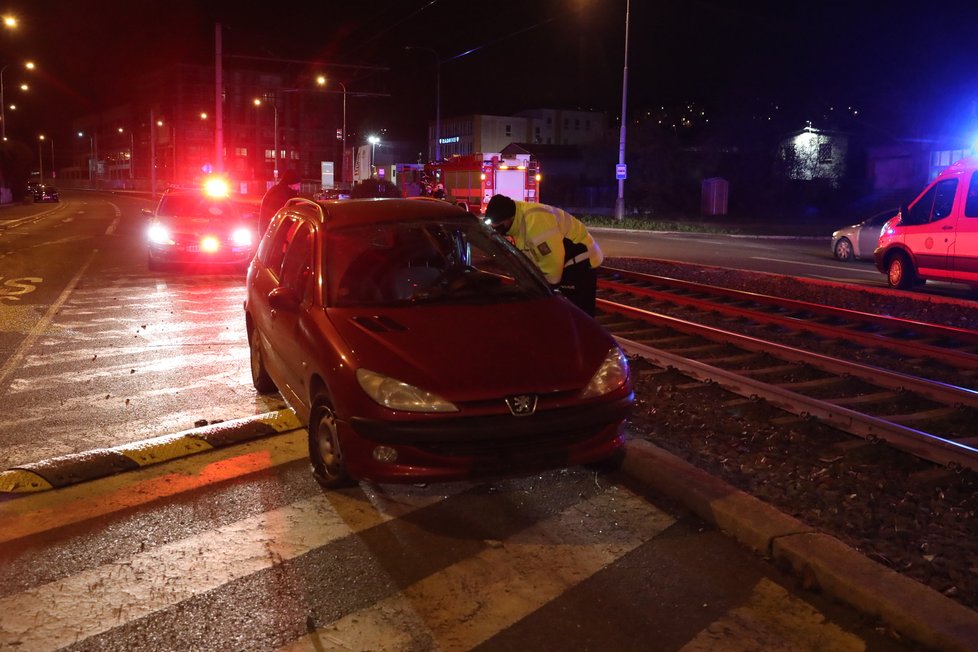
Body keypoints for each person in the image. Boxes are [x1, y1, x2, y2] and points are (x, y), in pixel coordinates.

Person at [484, 194, 603, 315]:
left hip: (580, 261)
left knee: (576, 314)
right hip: (566, 261)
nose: (495, 227)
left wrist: (543, 290)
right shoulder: (517, 222)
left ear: (510, 217)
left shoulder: (535, 222)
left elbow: (552, 265)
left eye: (498, 223)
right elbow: (531, 256)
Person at [259, 169, 301, 234]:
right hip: (272, 234)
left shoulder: (280, 191)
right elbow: (282, 216)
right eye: (297, 185)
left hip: (269, 233)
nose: (298, 187)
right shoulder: (279, 195)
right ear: (291, 184)